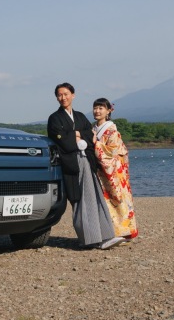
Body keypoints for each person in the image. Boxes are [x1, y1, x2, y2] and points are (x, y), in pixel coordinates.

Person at [47, 83, 124, 250]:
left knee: (94, 197)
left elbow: (91, 136)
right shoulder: (54, 118)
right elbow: (62, 142)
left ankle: (105, 235)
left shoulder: (80, 116)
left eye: (66, 94)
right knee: (79, 199)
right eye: (59, 95)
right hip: (71, 163)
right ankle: (90, 239)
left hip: (86, 161)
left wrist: (77, 134)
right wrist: (78, 135)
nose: (63, 98)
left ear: (73, 95)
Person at [91, 98, 138, 241]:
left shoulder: (111, 130)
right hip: (102, 170)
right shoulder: (94, 128)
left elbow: (112, 151)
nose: (97, 111)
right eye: (95, 108)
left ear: (108, 111)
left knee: (117, 199)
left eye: (101, 108)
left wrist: (96, 144)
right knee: (105, 201)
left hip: (114, 171)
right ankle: (110, 232)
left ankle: (124, 232)